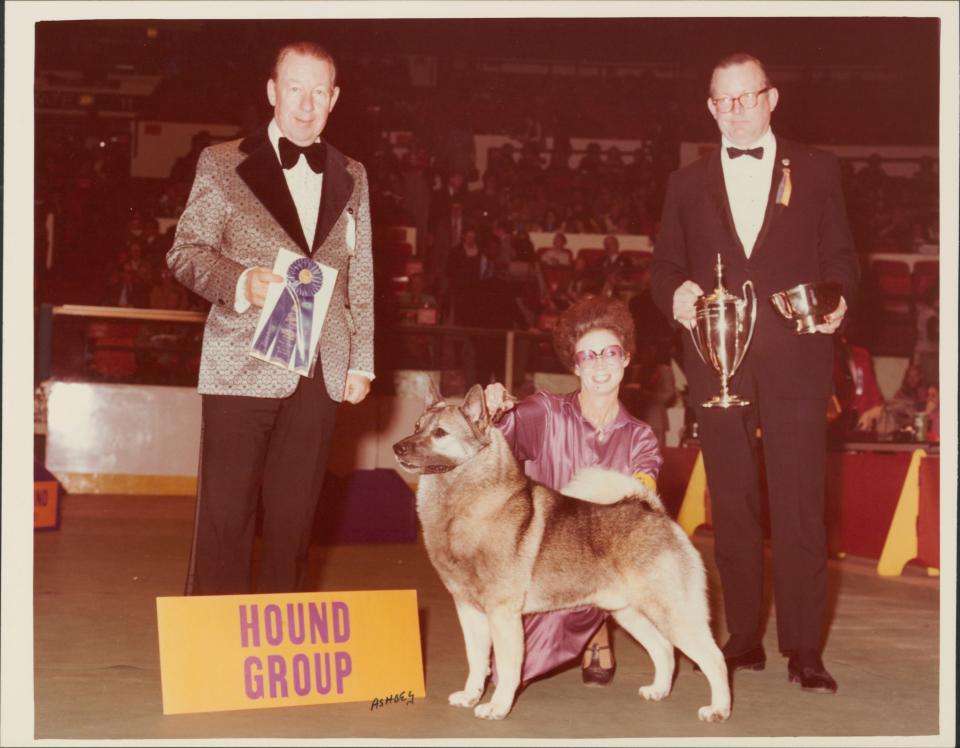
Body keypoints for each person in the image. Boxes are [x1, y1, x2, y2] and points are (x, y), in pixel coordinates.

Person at [649, 53, 859, 694]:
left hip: (798, 357)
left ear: (772, 98)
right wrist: (678, 297)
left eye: (748, 97)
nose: (737, 110)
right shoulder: (685, 184)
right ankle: (742, 638)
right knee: (731, 503)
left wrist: (840, 304)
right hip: (717, 365)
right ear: (710, 108)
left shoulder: (819, 169)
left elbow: (844, 258)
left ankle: (803, 648)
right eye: (724, 100)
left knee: (799, 507)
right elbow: (663, 270)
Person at [166, 41, 374, 595]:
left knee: (293, 522)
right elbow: (185, 251)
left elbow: (363, 276)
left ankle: (278, 661)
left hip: (321, 366)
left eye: (318, 92)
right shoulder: (221, 162)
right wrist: (239, 281)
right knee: (225, 517)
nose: (305, 104)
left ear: (334, 98)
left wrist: (362, 362)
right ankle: (213, 652)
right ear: (272, 92)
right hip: (241, 359)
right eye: (294, 88)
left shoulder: (353, 174)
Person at [483, 295, 663, 687]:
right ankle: (592, 624)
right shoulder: (545, 412)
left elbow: (642, 504)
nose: (600, 364)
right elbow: (494, 440)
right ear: (575, 365)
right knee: (502, 674)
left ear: (627, 358)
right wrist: (493, 408)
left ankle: (597, 624)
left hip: (604, 559)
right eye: (588, 356)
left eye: (610, 352)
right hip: (538, 562)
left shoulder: (641, 437)